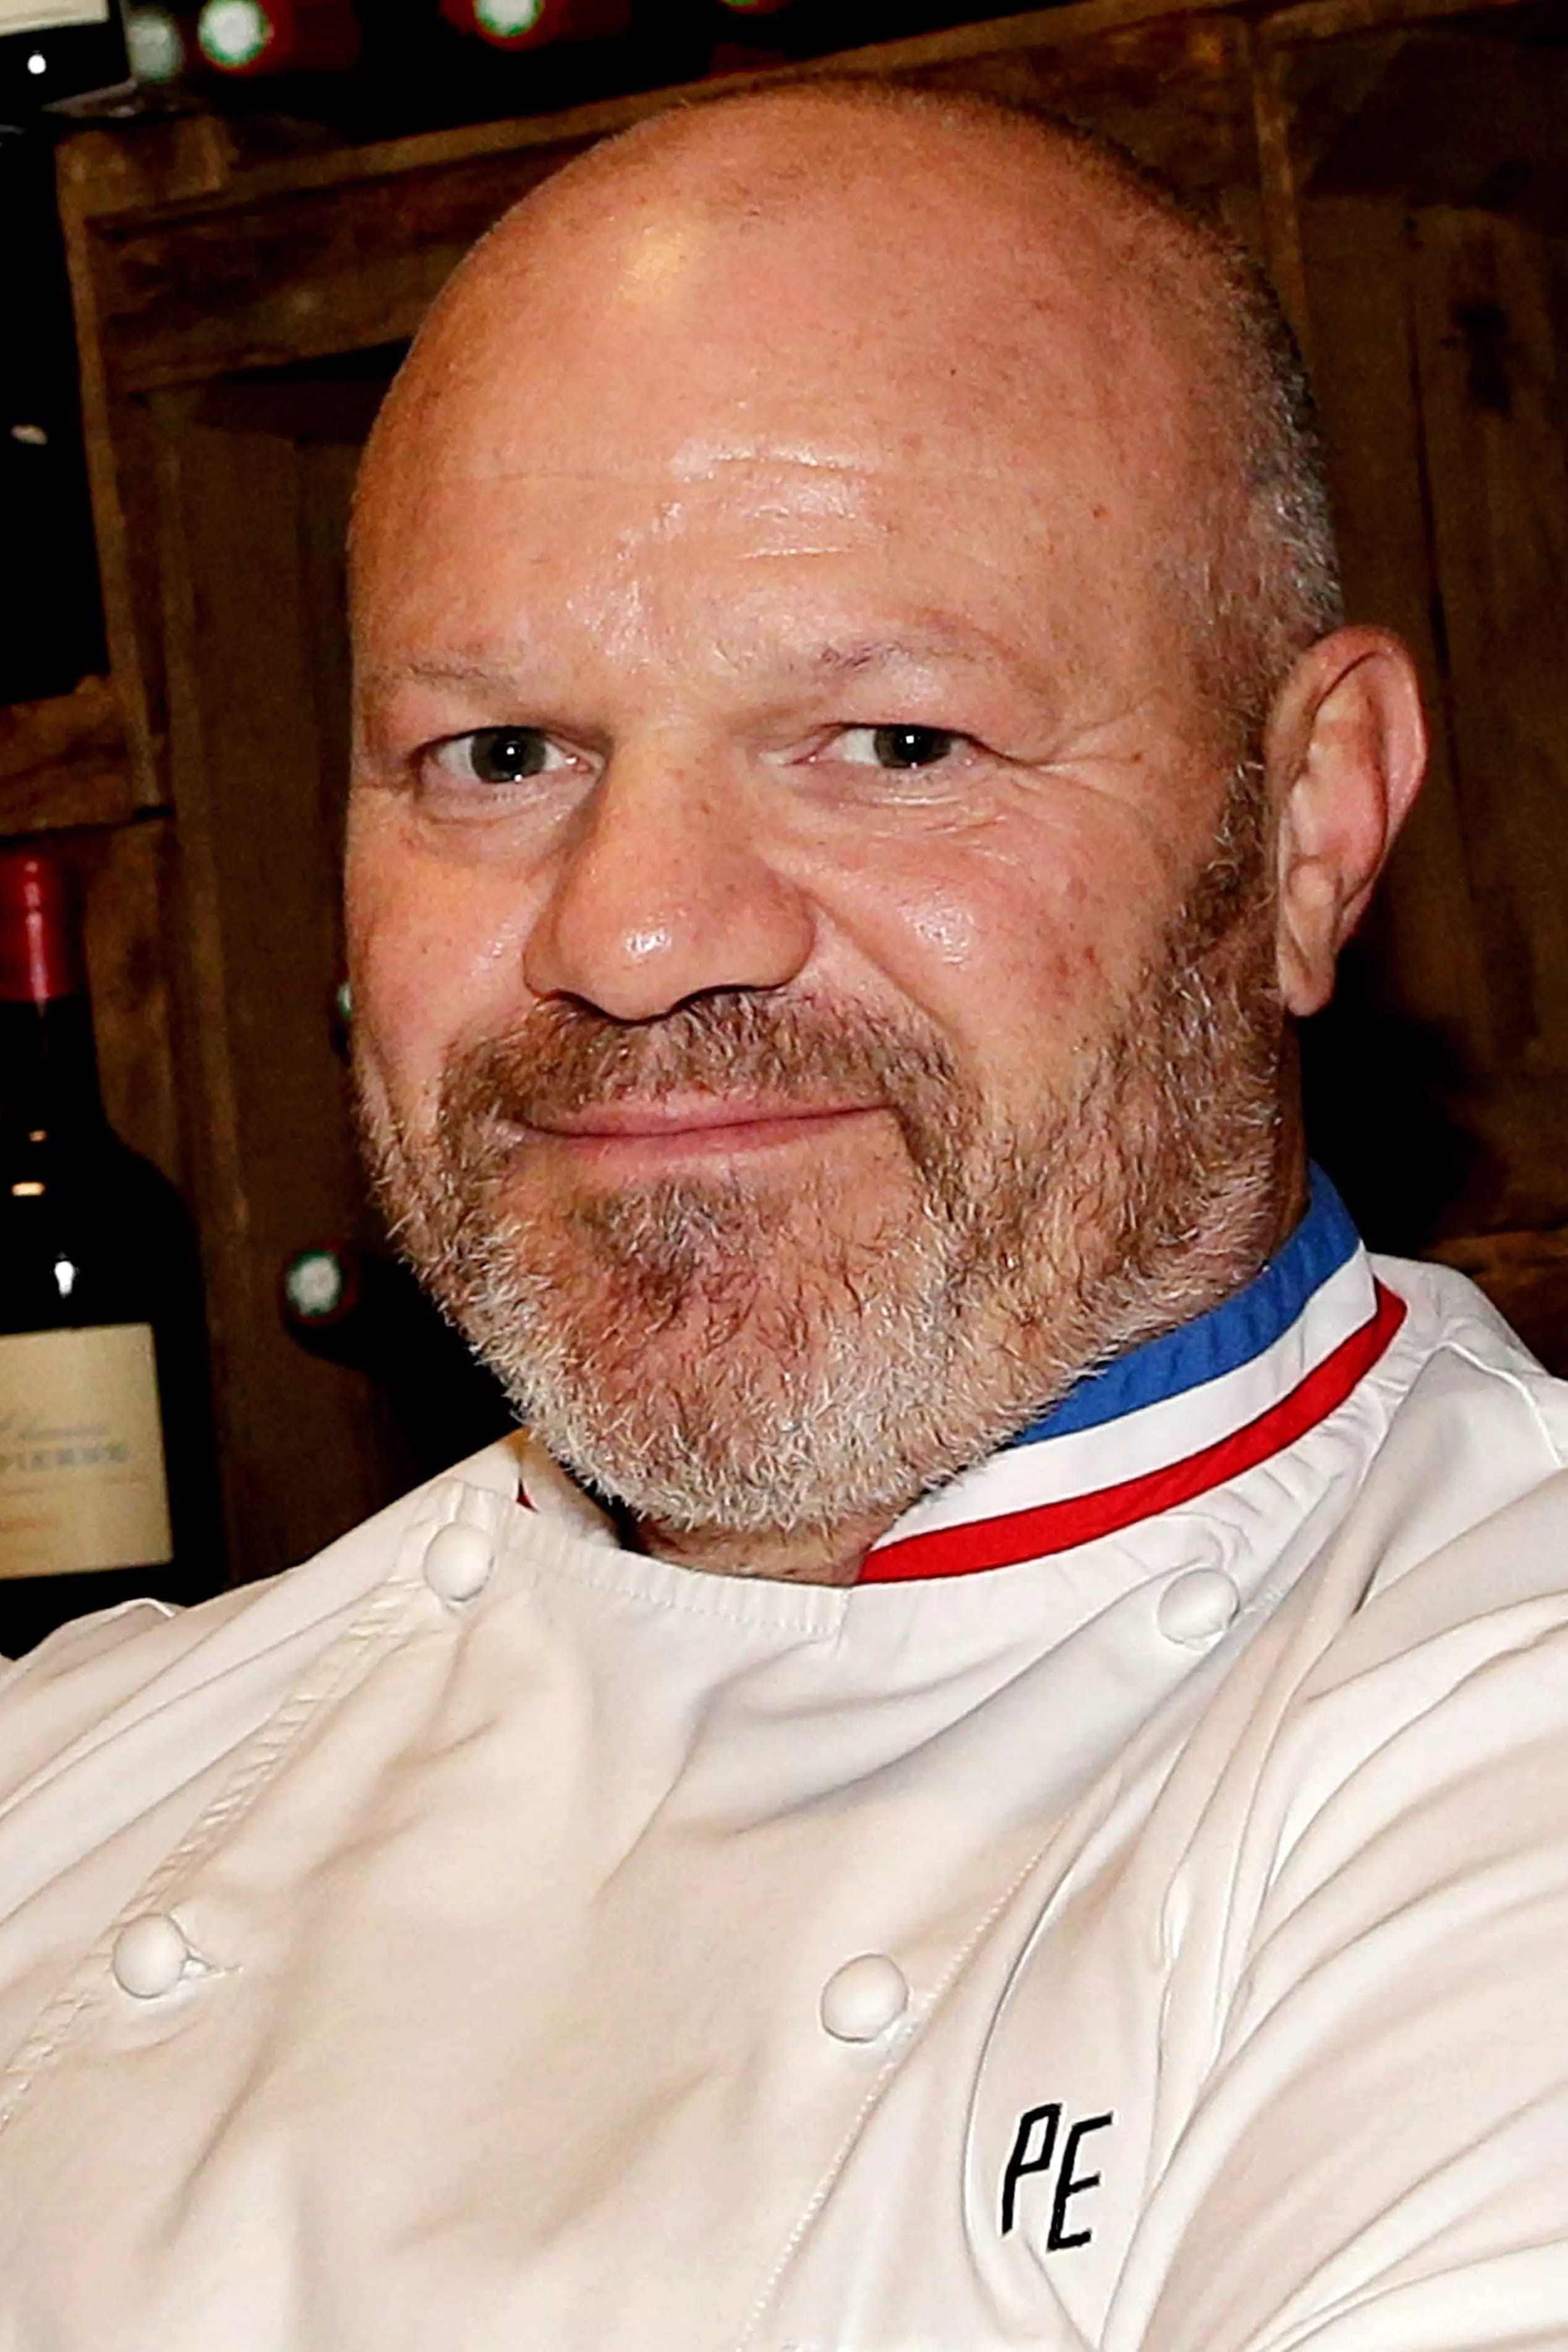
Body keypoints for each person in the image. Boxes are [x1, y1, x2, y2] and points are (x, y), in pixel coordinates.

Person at [0, 77, 1565, 2351]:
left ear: (1311, 821)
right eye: (500, 756)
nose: (634, 936)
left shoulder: (1490, 1741)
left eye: (895, 743)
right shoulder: (72, 1770)